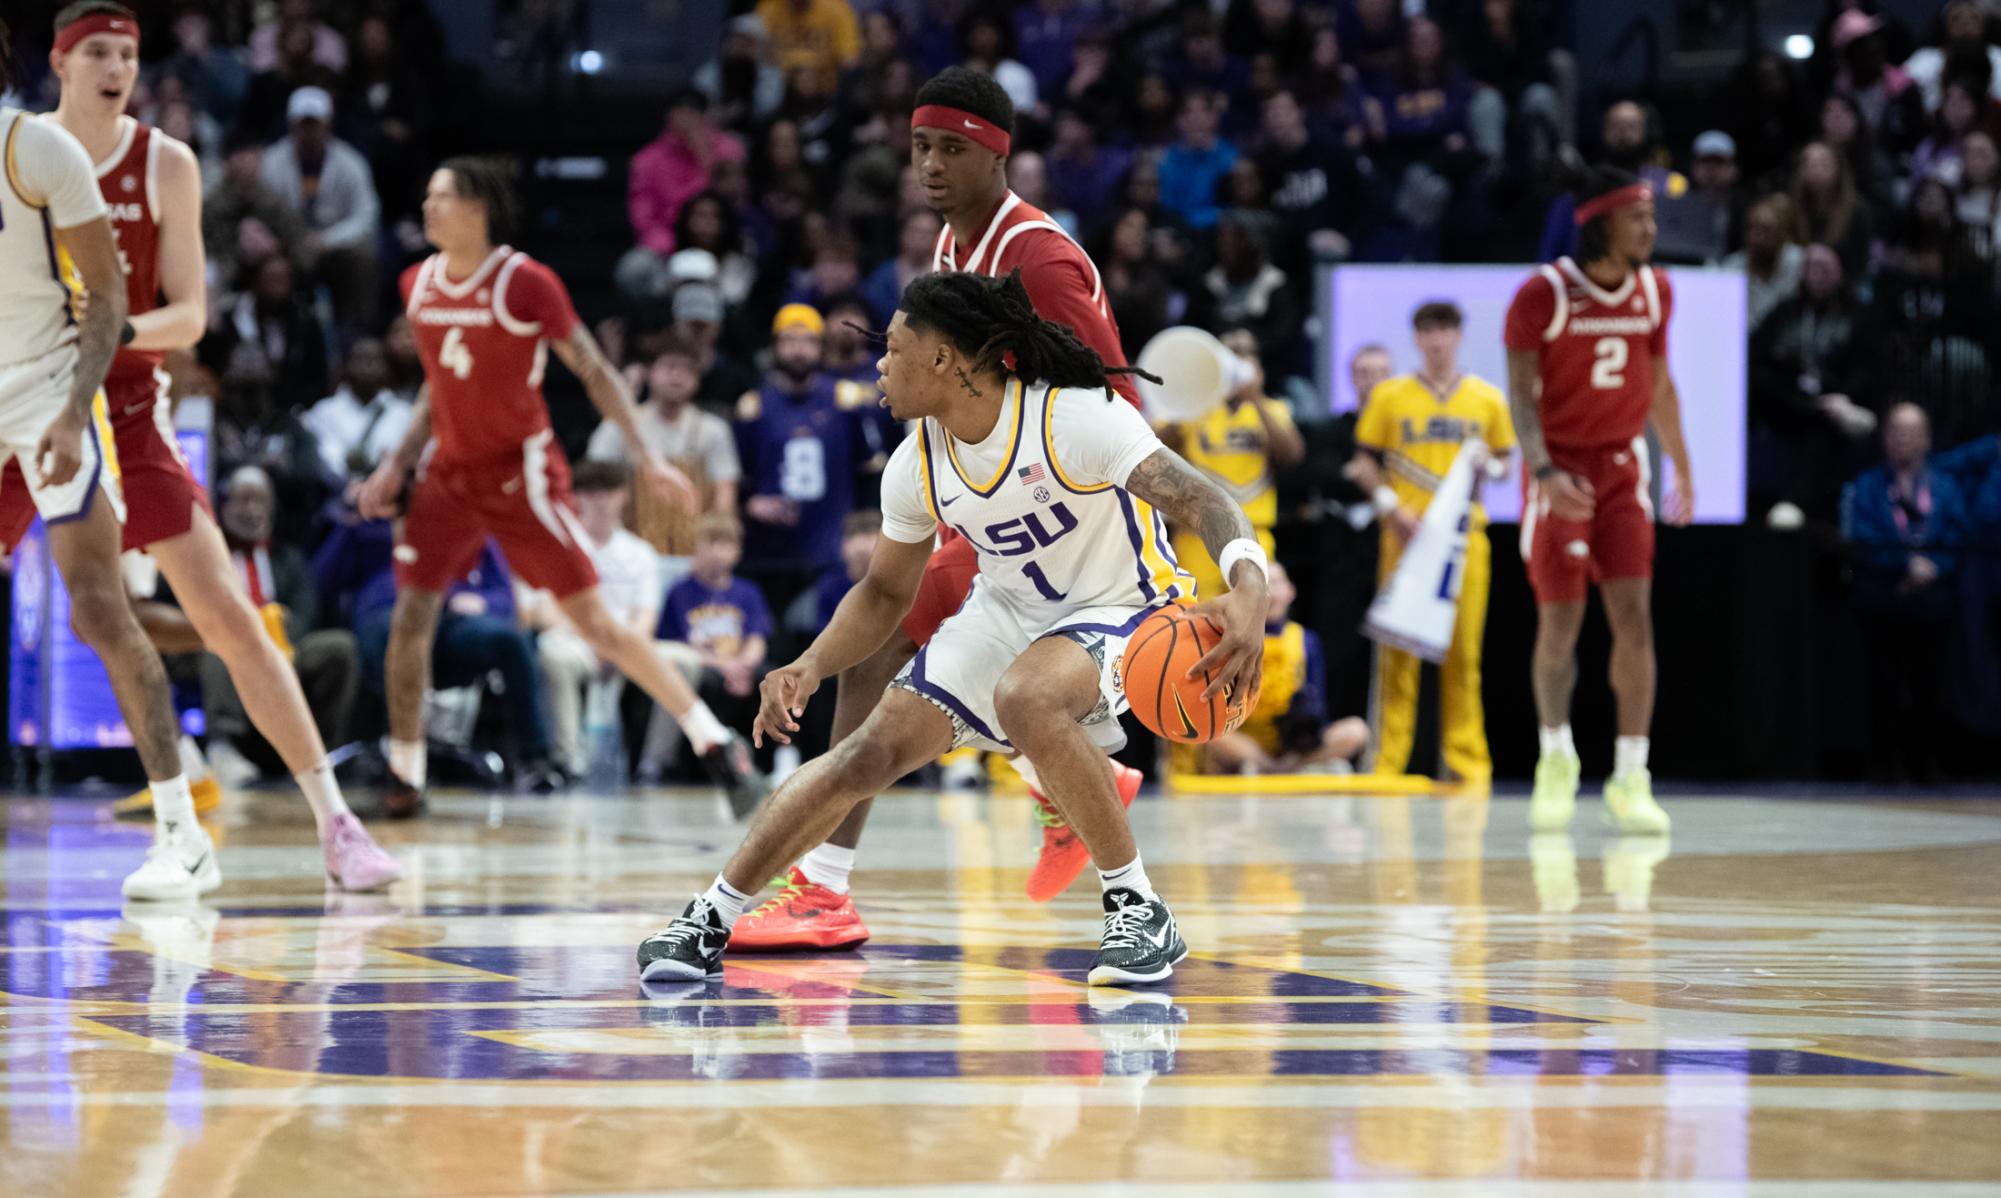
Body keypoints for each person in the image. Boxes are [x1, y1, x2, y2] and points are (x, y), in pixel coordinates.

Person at [634, 269, 1269, 986]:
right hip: (1003, 616)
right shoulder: (915, 463)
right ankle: (708, 917)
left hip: (1125, 605)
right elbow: (881, 594)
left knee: (1026, 696)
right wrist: (807, 664)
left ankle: (1137, 905)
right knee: (862, 757)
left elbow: (1201, 497)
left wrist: (1248, 582)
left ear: (942, 358)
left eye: (893, 347)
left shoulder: (1072, 418)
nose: (878, 363)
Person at [729, 67, 1149, 950]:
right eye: (920, 146)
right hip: (997, 499)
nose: (929, 165)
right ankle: (1064, 779)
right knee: (885, 631)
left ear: (998, 156)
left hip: (1069, 514)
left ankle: (826, 889)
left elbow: (1114, 406)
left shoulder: (1036, 255)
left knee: (883, 630)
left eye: (950, 149)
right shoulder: (955, 253)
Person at [0, 4, 400, 898]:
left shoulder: (164, 163)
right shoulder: (20, 149)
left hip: (124, 401)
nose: (116, 68)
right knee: (97, 614)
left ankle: (336, 821)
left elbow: (192, 316)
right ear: (59, 62)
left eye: (130, 55)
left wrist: (104, 328)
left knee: (226, 612)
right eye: (98, 52)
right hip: (19, 393)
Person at [357, 159, 762, 818]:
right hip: (450, 475)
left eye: (439, 198)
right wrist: (398, 464)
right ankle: (406, 772)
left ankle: (715, 743)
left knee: (594, 623)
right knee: (411, 616)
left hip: (521, 473)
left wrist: (648, 457)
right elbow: (439, 384)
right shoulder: (418, 283)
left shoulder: (525, 282)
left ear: (476, 210)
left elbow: (594, 369)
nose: (426, 210)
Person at [1505, 168, 1693, 835]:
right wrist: (1544, 470)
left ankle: (1630, 774)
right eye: (1637, 218)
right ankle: (1555, 758)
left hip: (1620, 466)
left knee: (1634, 617)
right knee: (1561, 622)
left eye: (1650, 217)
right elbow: (1520, 399)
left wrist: (1681, 464)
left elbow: (1660, 385)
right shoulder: (1544, 292)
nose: (1650, 229)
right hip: (1558, 467)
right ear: (1600, 225)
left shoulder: (1655, 288)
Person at [1350, 301, 1514, 784]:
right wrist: (1389, 506)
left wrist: (1493, 467)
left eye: (1445, 330)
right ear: (1417, 339)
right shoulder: (1391, 396)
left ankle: (1466, 764)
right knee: (1397, 651)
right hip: (1406, 535)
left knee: (1464, 654)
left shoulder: (1486, 398)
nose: (1437, 340)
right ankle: (1387, 764)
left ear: (1459, 336)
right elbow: (1364, 461)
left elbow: (1505, 461)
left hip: (1465, 541)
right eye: (1428, 331)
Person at [171, 466, 360, 780]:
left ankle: (317, 753)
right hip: (217, 650)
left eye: (261, 502)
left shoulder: (288, 559)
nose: (253, 511)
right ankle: (223, 747)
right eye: (243, 501)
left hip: (280, 647)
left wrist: (271, 630)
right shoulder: (205, 554)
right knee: (223, 639)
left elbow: (306, 615)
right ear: (223, 504)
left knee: (339, 647)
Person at [1840, 404, 1972, 784]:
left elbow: (1961, 536)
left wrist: (1934, 568)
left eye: (1913, 432)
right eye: (1897, 431)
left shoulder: (1945, 486)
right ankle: (1883, 765)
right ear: (1885, 438)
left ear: (1927, 439)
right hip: (1883, 597)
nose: (1905, 439)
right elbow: (1859, 538)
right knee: (1882, 684)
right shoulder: (1866, 485)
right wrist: (1903, 567)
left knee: (1931, 685)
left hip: (1935, 601)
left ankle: (1927, 764)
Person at [734, 303, 880, 615]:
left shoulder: (846, 399)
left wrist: (862, 530)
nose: (798, 350)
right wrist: (750, 503)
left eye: (808, 341)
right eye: (789, 341)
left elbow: (870, 473)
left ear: (821, 347)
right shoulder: (753, 406)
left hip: (831, 544)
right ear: (774, 347)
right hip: (771, 550)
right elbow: (738, 478)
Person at [524, 461, 665, 781]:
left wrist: (621, 646)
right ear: (576, 498)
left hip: (628, 644)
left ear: (624, 496)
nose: (600, 500)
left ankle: (655, 762)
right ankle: (568, 760)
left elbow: (646, 617)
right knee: (552, 653)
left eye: (609, 491)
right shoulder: (559, 546)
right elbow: (545, 612)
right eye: (591, 491)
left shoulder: (640, 553)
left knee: (682, 662)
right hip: (577, 641)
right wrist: (596, 640)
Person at [1157, 328, 1303, 599]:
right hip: (1196, 533)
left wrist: (1256, 399)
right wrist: (1196, 396)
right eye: (1230, 353)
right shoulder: (1193, 407)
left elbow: (1292, 455)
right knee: (1197, 622)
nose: (1238, 361)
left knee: (1253, 620)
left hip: (1254, 532)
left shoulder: (1272, 409)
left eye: (1246, 353)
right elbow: (1154, 448)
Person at [1203, 562, 1371, 775]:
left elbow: (1317, 699)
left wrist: (1305, 724)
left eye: (1274, 583)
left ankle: (1287, 765)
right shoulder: (1234, 638)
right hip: (1250, 739)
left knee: (1356, 730)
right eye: (1260, 585)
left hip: (1295, 740)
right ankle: (1275, 766)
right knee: (1210, 733)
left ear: (1290, 591)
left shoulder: (1306, 640)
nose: (1268, 592)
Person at [586, 336, 740, 555]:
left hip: (695, 555)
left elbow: (724, 494)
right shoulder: (618, 426)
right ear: (650, 372)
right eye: (669, 366)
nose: (677, 375)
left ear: (697, 379)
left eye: (687, 369)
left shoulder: (713, 430)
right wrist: (611, 544)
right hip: (631, 551)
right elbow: (596, 482)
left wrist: (717, 546)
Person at [258, 86, 380, 325]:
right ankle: (273, 332)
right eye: (303, 125)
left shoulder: (350, 163)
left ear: (328, 125)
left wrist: (326, 240)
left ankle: (358, 333)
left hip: (333, 248)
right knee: (267, 262)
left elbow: (366, 217)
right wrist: (287, 239)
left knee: (364, 258)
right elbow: (263, 211)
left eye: (315, 124)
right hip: (286, 245)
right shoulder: (271, 162)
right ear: (291, 125)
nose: (309, 132)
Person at [655, 515, 774, 760]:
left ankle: (779, 754)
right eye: (710, 543)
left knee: (772, 678)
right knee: (696, 677)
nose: (717, 551)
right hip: (704, 665)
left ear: (738, 550)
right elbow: (676, 645)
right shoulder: (679, 592)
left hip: (739, 663)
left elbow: (757, 638)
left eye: (726, 544)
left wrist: (743, 665)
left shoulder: (749, 592)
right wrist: (723, 665)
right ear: (696, 547)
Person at [302, 337, 412, 480]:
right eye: (360, 358)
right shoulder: (324, 411)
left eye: (376, 360)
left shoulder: (403, 413)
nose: (368, 366)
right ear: (345, 365)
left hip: (387, 491)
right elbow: (324, 459)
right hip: (337, 492)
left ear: (387, 368)